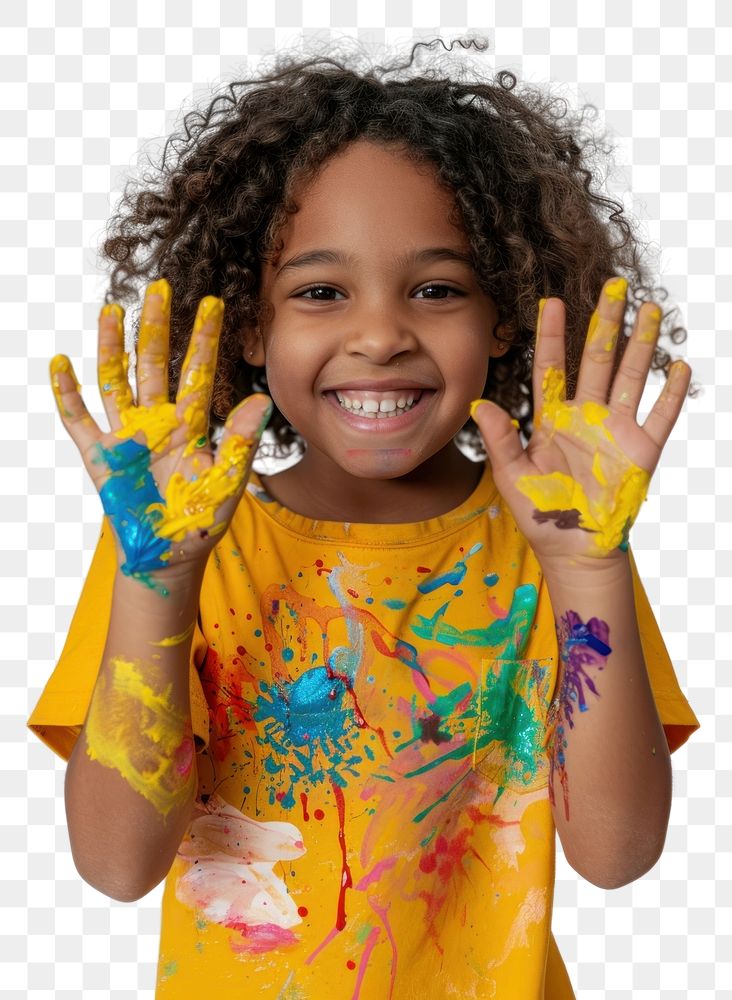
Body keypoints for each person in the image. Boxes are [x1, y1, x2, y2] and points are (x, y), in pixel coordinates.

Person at [28, 39, 700, 999]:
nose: (380, 334)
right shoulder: (176, 544)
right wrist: (157, 580)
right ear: (252, 328)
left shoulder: (556, 540)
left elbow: (618, 853)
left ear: (503, 315)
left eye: (436, 289)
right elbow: (115, 866)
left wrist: (591, 571)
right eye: (320, 292)